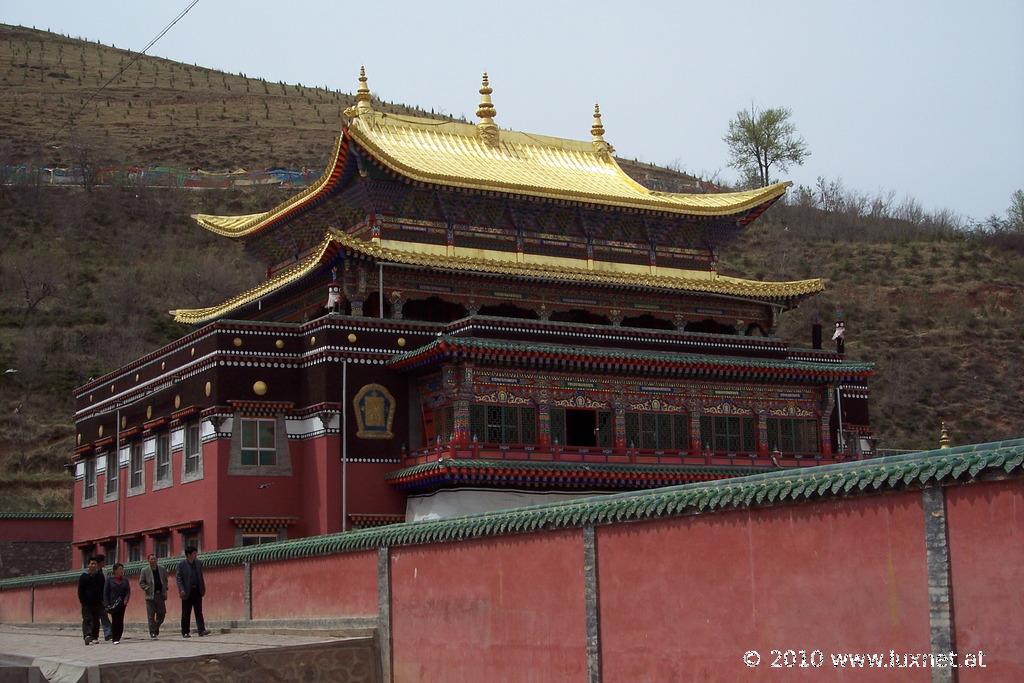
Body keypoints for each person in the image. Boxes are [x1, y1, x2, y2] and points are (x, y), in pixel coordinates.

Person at [176, 546, 210, 638]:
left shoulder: (198, 563)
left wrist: (203, 588)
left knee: (199, 611)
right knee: (186, 613)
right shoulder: (181, 565)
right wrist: (181, 589)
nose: (196, 555)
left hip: (197, 590)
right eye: (194, 553)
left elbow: (200, 577)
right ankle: (185, 631)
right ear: (188, 554)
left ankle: (201, 630)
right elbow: (179, 579)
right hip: (187, 591)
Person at [139, 553, 168, 639]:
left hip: (160, 594)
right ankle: (152, 632)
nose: (153, 561)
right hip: (150, 595)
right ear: (148, 560)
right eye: (151, 559)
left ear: (157, 560)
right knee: (151, 615)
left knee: (162, 613)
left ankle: (155, 627)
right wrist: (147, 587)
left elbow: (165, 580)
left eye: (154, 559)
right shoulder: (145, 570)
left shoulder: (162, 569)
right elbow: (141, 582)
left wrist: (165, 589)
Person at [77, 557, 105, 645]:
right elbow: (80, 590)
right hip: (86, 602)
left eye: (95, 564)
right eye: (92, 563)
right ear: (88, 565)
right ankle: (87, 635)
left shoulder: (100, 576)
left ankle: (95, 636)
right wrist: (82, 601)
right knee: (87, 619)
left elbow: (103, 588)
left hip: (97, 602)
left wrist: (102, 600)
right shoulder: (83, 576)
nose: (93, 565)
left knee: (96, 620)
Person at [103, 563, 131, 644]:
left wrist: (126, 599)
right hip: (113, 603)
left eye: (122, 569)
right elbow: (106, 592)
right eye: (120, 569)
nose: (121, 571)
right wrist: (107, 603)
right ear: (115, 570)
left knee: (120, 619)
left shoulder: (125, 580)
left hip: (122, 603)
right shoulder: (109, 580)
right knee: (115, 619)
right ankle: (115, 637)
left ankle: (118, 636)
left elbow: (128, 591)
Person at [94, 553, 113, 641]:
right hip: (94, 598)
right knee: (95, 618)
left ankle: (108, 633)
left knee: (104, 615)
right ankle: (93, 634)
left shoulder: (104, 572)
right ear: (100, 562)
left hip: (103, 597)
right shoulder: (92, 572)